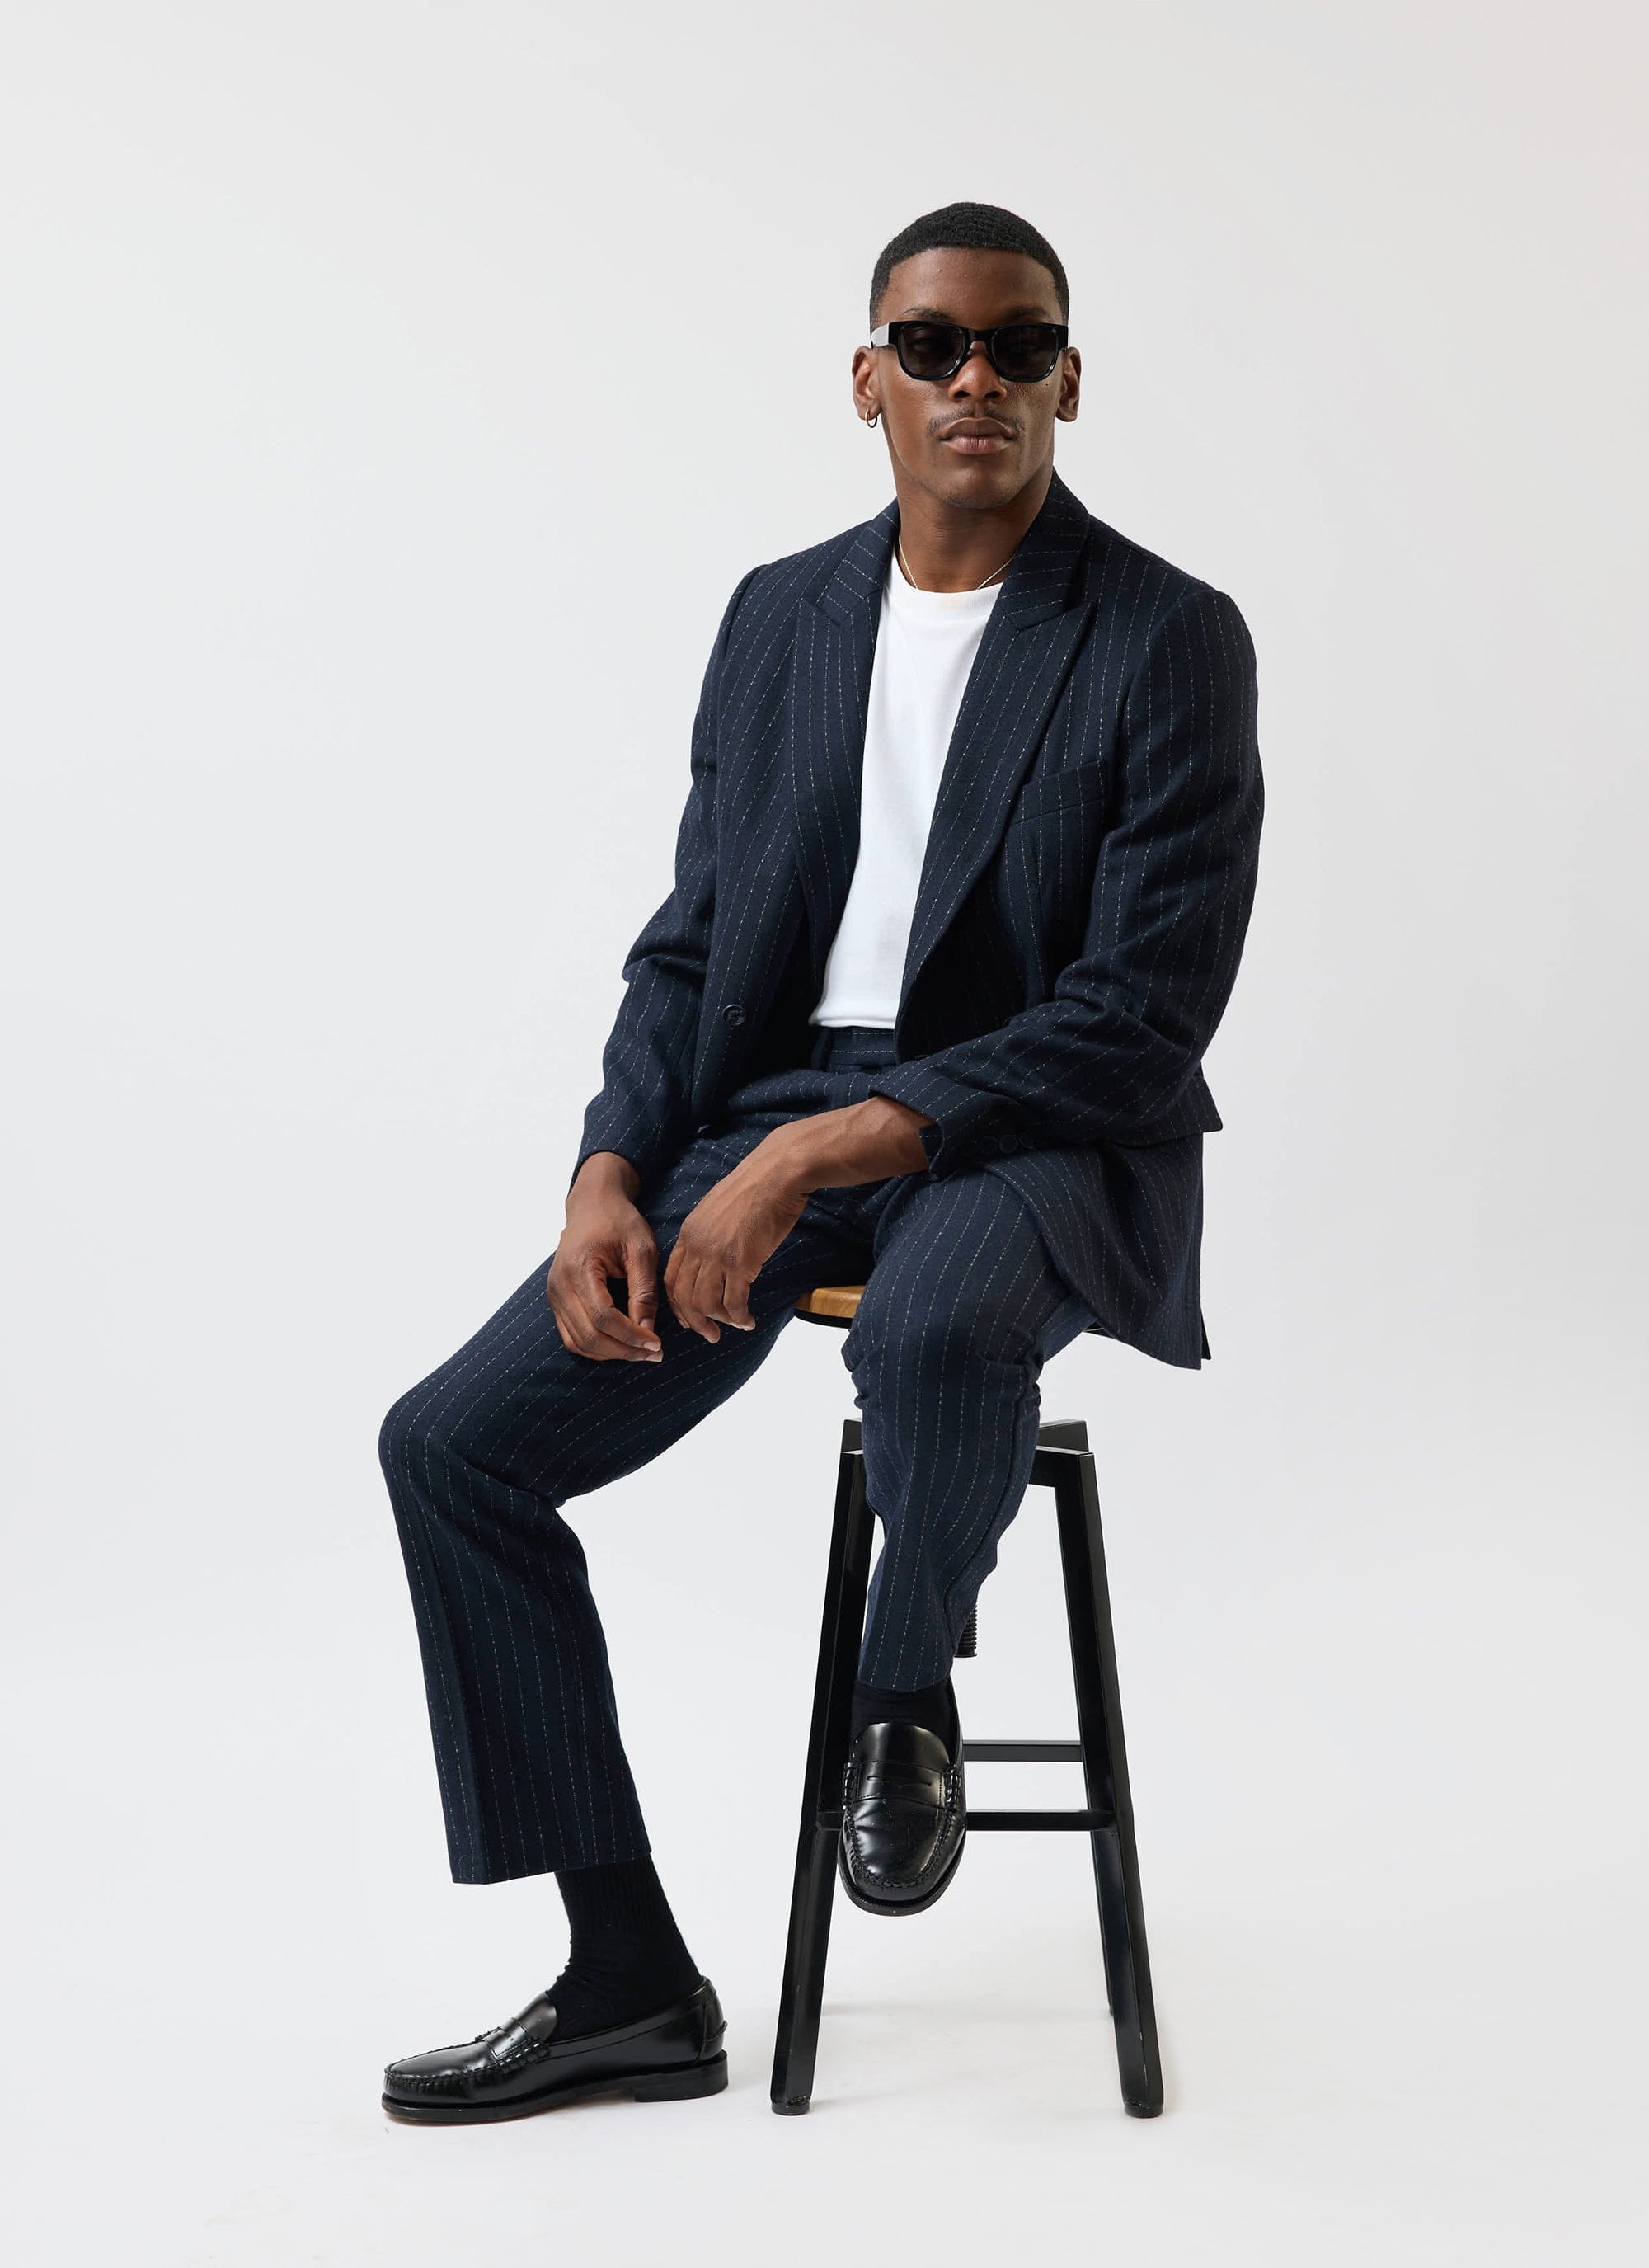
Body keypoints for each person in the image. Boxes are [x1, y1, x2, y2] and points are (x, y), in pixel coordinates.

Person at [377, 201, 1263, 2123]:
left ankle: (901, 1692)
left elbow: (1143, 1010)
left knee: (933, 1335)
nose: (976, 384)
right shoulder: (780, 615)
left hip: (1033, 1126)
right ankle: (625, 1978)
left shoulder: (1166, 636)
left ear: (1069, 381)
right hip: (769, 1115)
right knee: (452, 1449)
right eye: (933, 348)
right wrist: (614, 1162)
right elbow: (698, 934)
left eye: (1018, 349)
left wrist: (851, 1139)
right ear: (866, 379)